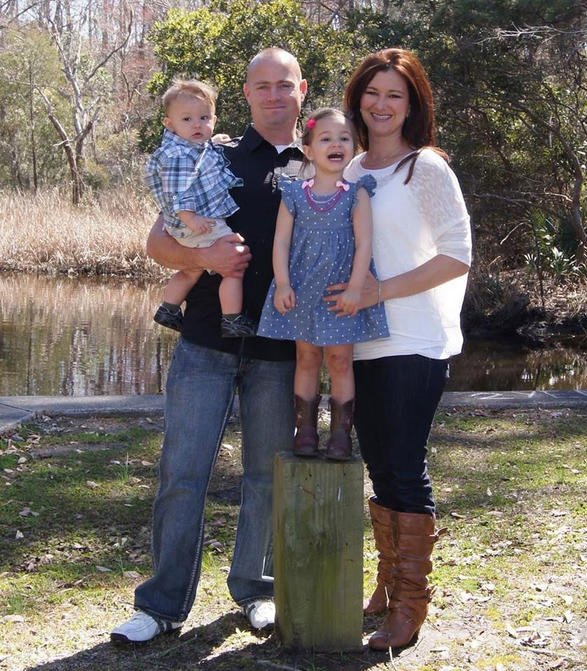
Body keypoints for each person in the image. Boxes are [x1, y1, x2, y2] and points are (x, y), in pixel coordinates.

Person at [110, 47, 307, 645]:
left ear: (302, 90)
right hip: (205, 343)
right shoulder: (211, 155)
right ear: (246, 93)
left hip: (279, 346)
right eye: (262, 86)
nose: (274, 95)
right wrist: (203, 257)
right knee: (182, 473)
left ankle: (257, 591)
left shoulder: (326, 160)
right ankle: (162, 605)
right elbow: (156, 243)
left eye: (285, 85)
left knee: (266, 477)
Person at [328, 48, 472, 651]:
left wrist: (379, 290)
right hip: (359, 342)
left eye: (395, 95)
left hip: (414, 339)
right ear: (357, 98)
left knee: (404, 465)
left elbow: (457, 253)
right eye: (373, 92)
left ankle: (410, 606)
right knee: (381, 463)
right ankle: (388, 585)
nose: (381, 105)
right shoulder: (350, 166)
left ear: (412, 105)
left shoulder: (426, 169)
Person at [258, 107, 388, 461]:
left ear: (355, 147)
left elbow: (364, 245)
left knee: (341, 360)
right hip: (302, 289)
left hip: (339, 293)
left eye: (344, 138)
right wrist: (283, 284)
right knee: (306, 357)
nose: (336, 144)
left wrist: (355, 290)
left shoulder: (356, 194)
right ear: (309, 149)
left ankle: (341, 437)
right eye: (326, 138)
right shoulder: (295, 194)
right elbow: (281, 242)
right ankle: (306, 431)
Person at [146, 78, 256, 338]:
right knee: (235, 261)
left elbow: (202, 157)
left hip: (185, 226)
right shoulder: (179, 156)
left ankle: (169, 308)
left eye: (204, 118)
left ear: (214, 120)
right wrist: (190, 218)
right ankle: (231, 319)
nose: (197, 124)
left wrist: (214, 140)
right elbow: (179, 190)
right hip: (195, 221)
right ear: (169, 124)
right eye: (186, 120)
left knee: (191, 270)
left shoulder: (193, 148)